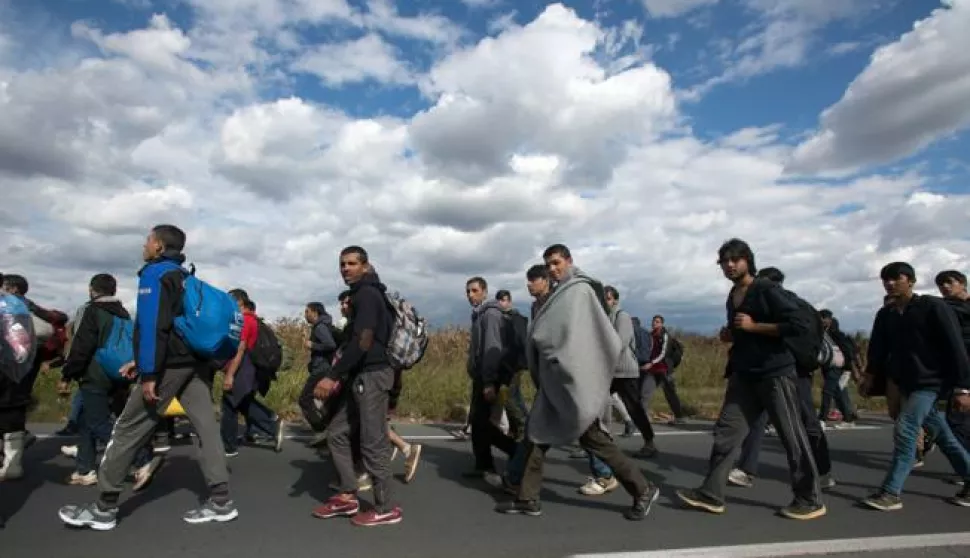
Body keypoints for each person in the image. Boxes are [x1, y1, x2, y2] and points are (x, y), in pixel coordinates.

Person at [58, 224, 238, 530]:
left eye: (147, 240)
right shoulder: (184, 276)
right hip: (196, 363)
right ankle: (221, 501)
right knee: (206, 427)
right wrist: (139, 362)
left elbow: (155, 326)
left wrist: (150, 371)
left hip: (168, 366)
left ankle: (103, 508)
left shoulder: (154, 275)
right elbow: (176, 327)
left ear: (158, 246)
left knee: (128, 428)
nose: (144, 246)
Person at [496, 244, 660, 520]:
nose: (552, 268)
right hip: (554, 384)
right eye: (548, 264)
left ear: (569, 261)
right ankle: (527, 498)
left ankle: (643, 489)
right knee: (536, 436)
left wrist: (565, 360)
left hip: (574, 384)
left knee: (596, 442)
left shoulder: (580, 291)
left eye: (557, 262)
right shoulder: (558, 295)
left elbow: (590, 338)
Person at [676, 239, 825, 520]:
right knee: (726, 434)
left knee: (792, 437)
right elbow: (744, 331)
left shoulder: (767, 289)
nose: (729, 265)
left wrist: (754, 326)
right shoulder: (733, 294)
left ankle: (810, 498)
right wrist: (733, 335)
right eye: (724, 261)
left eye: (735, 259)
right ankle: (711, 493)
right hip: (744, 375)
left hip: (775, 374)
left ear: (748, 260)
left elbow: (799, 325)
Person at [858, 262, 970, 510]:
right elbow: (877, 349)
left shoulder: (932, 307)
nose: (889, 283)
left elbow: (956, 347)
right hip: (904, 382)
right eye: (885, 279)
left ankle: (891, 492)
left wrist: (963, 388)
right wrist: (868, 377)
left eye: (896, 278)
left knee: (906, 430)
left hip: (931, 382)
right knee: (943, 435)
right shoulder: (886, 314)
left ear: (911, 280)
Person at [312, 246, 401, 527]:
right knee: (337, 433)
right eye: (342, 264)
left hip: (373, 375)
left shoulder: (367, 295)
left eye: (352, 263)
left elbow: (363, 341)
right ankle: (348, 495)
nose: (345, 268)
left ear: (365, 266)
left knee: (372, 442)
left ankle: (386, 507)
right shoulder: (360, 295)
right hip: (361, 376)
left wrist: (333, 375)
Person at [58, 274, 161, 489]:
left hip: (94, 373)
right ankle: (84, 469)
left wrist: (67, 374)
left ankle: (142, 458)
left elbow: (81, 346)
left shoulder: (91, 310)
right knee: (88, 420)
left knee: (98, 423)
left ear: (92, 289)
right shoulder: (124, 314)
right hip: (119, 372)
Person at [462, 277, 517, 485]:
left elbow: (491, 350)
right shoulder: (478, 315)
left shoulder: (491, 315)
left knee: (482, 423)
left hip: (488, 378)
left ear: (484, 292)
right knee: (478, 423)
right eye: (468, 291)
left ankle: (516, 451)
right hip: (480, 377)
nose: (470, 295)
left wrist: (488, 382)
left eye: (474, 291)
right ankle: (483, 464)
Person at [220, 291, 283, 457]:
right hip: (250, 367)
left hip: (242, 366)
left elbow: (240, 349)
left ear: (240, 302)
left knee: (230, 403)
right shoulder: (254, 320)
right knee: (242, 401)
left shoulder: (245, 320)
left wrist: (230, 375)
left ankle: (269, 424)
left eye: (231, 302)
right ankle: (264, 425)